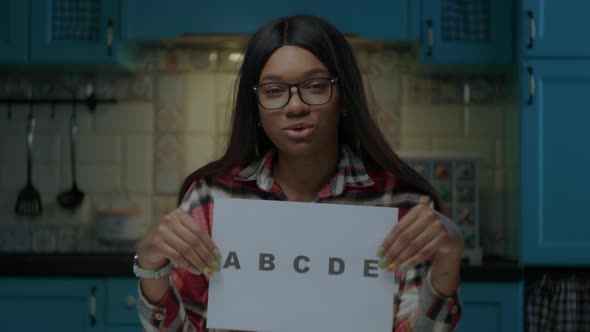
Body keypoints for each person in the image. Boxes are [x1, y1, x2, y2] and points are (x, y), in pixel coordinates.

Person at [135, 15, 463, 332]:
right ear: (257, 108)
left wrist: (447, 257)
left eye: (316, 86)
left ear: (344, 97)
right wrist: (151, 266)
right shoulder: (210, 200)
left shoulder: (402, 206)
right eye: (274, 90)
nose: (295, 106)